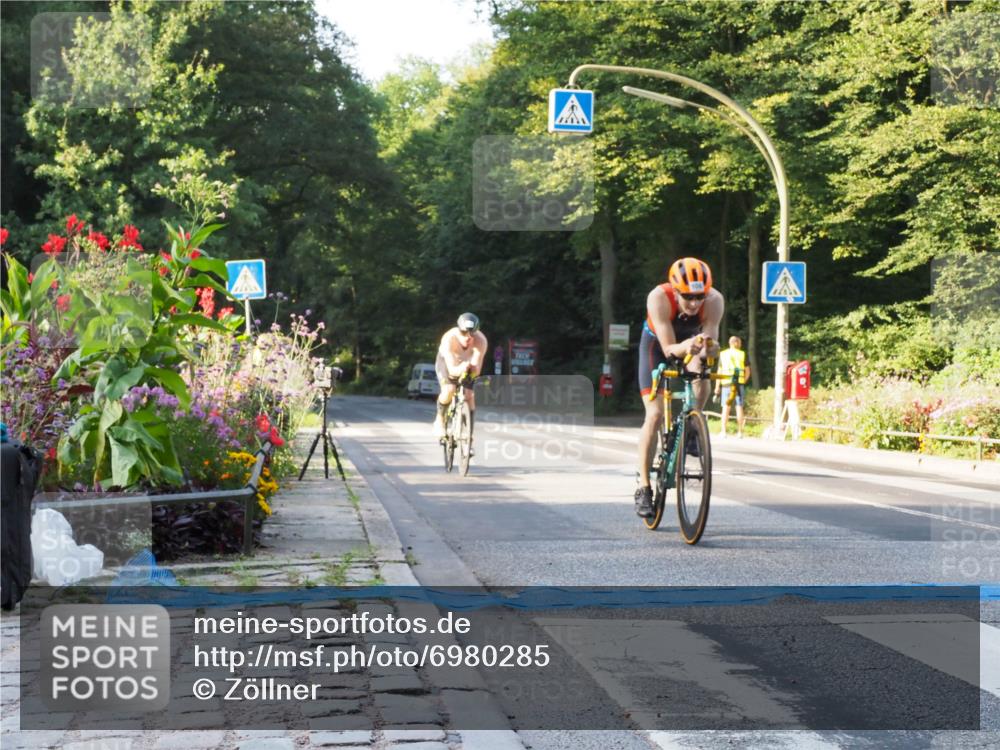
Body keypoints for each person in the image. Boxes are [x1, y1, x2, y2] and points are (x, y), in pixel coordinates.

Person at [635, 258, 724, 518]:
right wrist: (687, 347)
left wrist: (710, 350)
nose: (695, 303)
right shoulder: (658, 298)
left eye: (699, 296)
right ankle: (644, 487)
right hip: (657, 346)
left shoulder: (715, 300)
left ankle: (692, 426)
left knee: (702, 375)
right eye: (688, 297)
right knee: (654, 415)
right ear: (675, 291)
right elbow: (669, 350)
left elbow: (708, 346)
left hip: (692, 343)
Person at [433, 313, 488, 446]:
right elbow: (452, 370)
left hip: (467, 364)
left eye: (472, 333)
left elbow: (476, 370)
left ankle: (469, 435)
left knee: (469, 395)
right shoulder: (449, 339)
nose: (468, 337)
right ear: (458, 330)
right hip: (447, 364)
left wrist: (471, 371)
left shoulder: (481, 341)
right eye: (464, 333)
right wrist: (463, 367)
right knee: (449, 389)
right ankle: (439, 420)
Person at [714, 335, 750, 439]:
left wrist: (717, 387)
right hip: (739, 384)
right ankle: (740, 432)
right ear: (735, 343)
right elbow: (747, 371)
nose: (741, 344)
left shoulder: (723, 354)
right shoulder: (742, 354)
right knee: (739, 407)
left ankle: (723, 431)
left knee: (726, 407)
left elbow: (719, 371)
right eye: (740, 342)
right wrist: (743, 381)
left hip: (726, 384)